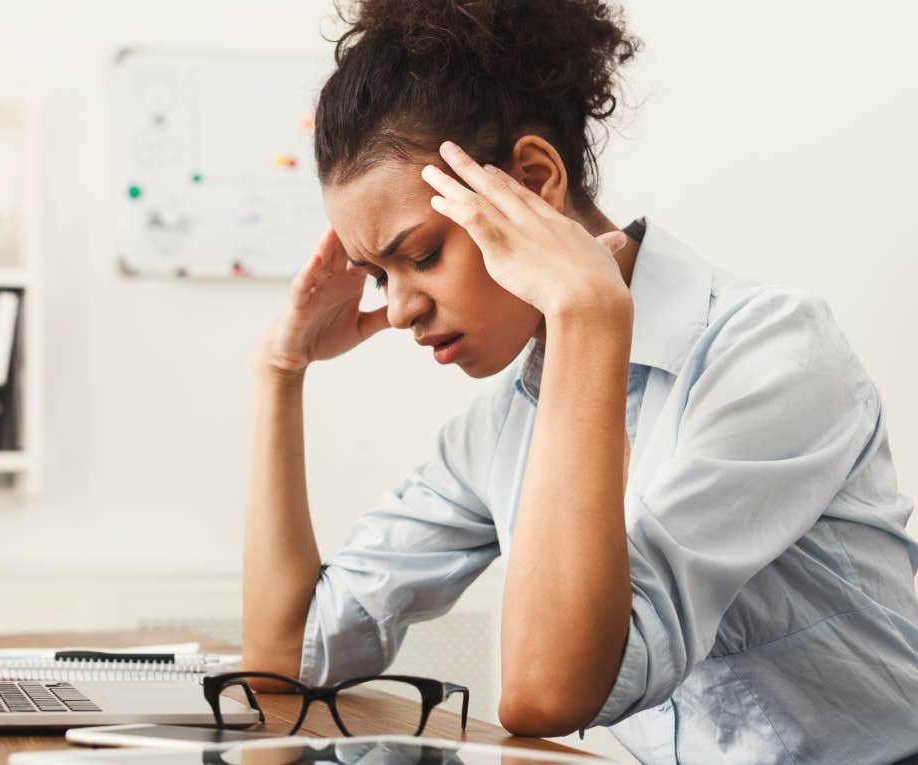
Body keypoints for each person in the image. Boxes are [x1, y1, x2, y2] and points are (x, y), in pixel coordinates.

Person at [240, 0, 918, 762]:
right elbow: (285, 657)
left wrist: (588, 314)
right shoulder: (500, 425)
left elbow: (547, 694)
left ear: (533, 179)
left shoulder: (774, 355)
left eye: (421, 255)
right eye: (376, 276)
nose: (398, 309)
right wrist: (281, 370)